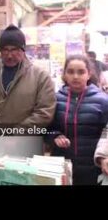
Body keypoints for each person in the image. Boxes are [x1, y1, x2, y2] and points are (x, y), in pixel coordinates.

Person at [0, 25, 56, 156]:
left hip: (27, 146)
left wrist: (16, 134)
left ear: (23, 50)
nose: (10, 55)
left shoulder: (40, 77)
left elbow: (44, 112)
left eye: (14, 50)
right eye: (5, 50)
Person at [46, 54, 108, 185]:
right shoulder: (54, 99)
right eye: (70, 72)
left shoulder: (103, 101)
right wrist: (55, 136)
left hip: (93, 170)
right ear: (64, 75)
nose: (75, 76)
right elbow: (46, 129)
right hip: (61, 168)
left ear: (89, 74)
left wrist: (104, 157)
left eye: (81, 72)